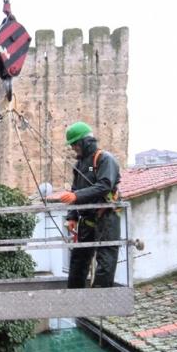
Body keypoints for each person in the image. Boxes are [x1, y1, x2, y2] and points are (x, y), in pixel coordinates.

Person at [47, 121, 122, 288]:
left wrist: (76, 196)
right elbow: (75, 189)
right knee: (78, 260)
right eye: (72, 145)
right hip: (87, 219)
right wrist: (72, 216)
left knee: (105, 261)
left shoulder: (104, 159)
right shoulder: (80, 165)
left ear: (85, 142)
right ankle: (75, 296)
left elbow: (104, 185)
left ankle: (99, 297)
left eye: (75, 144)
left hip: (106, 217)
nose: (73, 148)